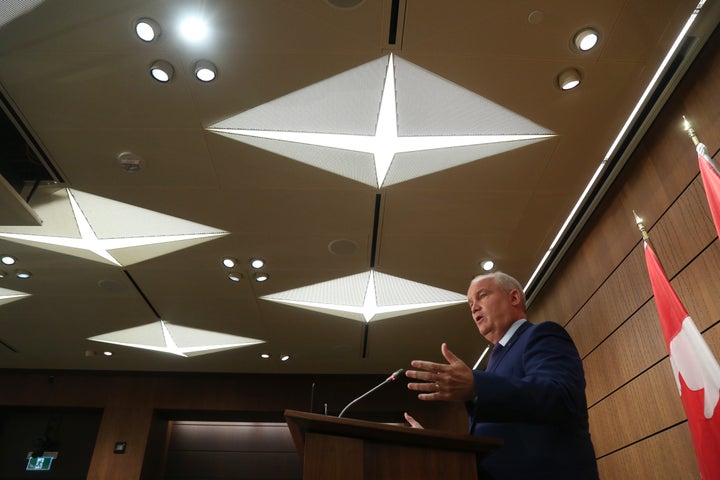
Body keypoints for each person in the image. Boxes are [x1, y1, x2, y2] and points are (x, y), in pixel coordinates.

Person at [404, 271, 599, 479]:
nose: (474, 307)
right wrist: (433, 444)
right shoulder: (493, 365)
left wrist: (478, 385)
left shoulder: (542, 335)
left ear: (514, 298)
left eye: (482, 295)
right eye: (470, 304)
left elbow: (561, 396)